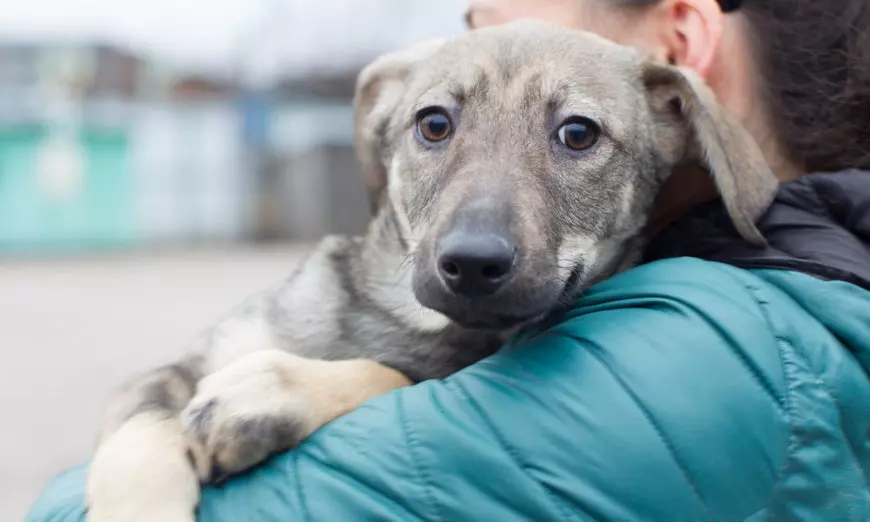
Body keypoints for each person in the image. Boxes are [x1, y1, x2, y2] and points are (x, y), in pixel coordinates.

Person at [28, 0, 870, 520]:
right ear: (385, 131)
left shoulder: (707, 344)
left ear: (678, 58)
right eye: (438, 125)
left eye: (574, 133)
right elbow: (162, 391)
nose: (476, 234)